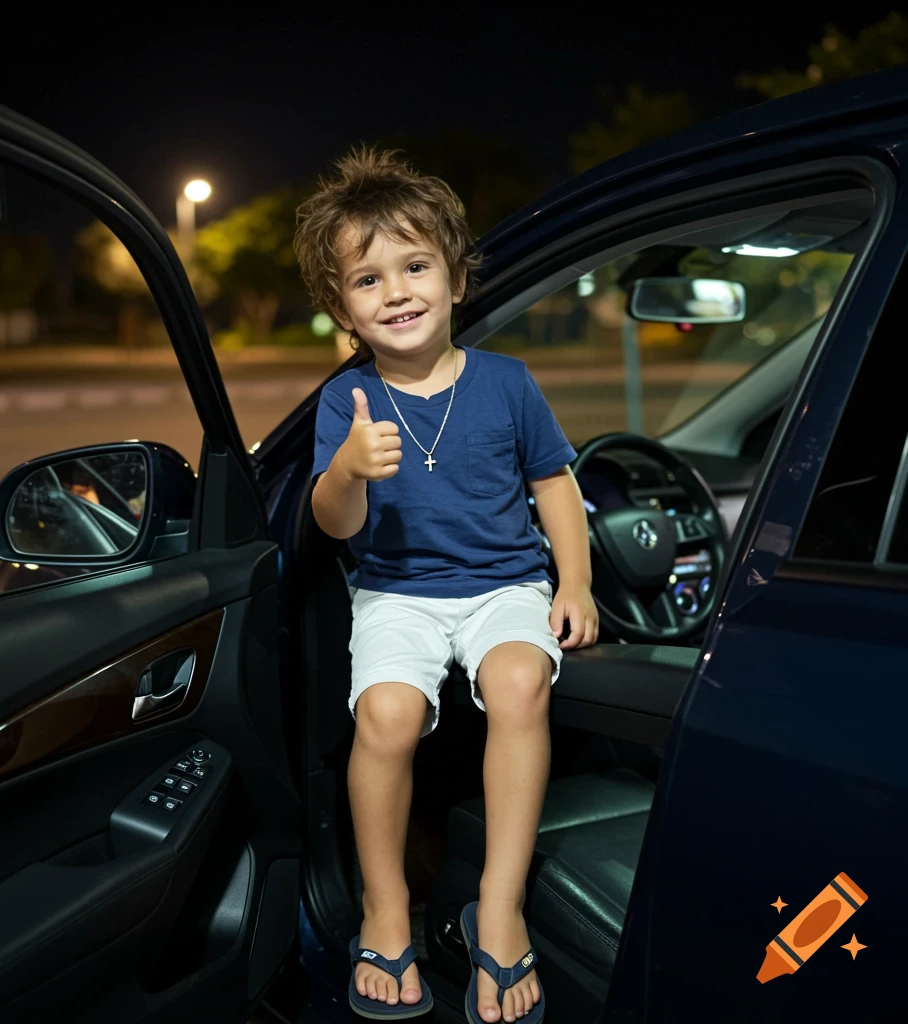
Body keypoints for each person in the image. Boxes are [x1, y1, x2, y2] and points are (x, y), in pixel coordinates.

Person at [294, 148, 598, 1024]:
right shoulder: (346, 401)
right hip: (397, 594)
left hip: (506, 584)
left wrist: (574, 581)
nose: (396, 292)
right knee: (386, 716)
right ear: (341, 308)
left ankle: (501, 906)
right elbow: (333, 524)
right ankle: (385, 905)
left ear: (457, 280)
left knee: (519, 681)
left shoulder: (507, 382)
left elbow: (555, 484)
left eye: (416, 267)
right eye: (368, 279)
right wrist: (348, 469)